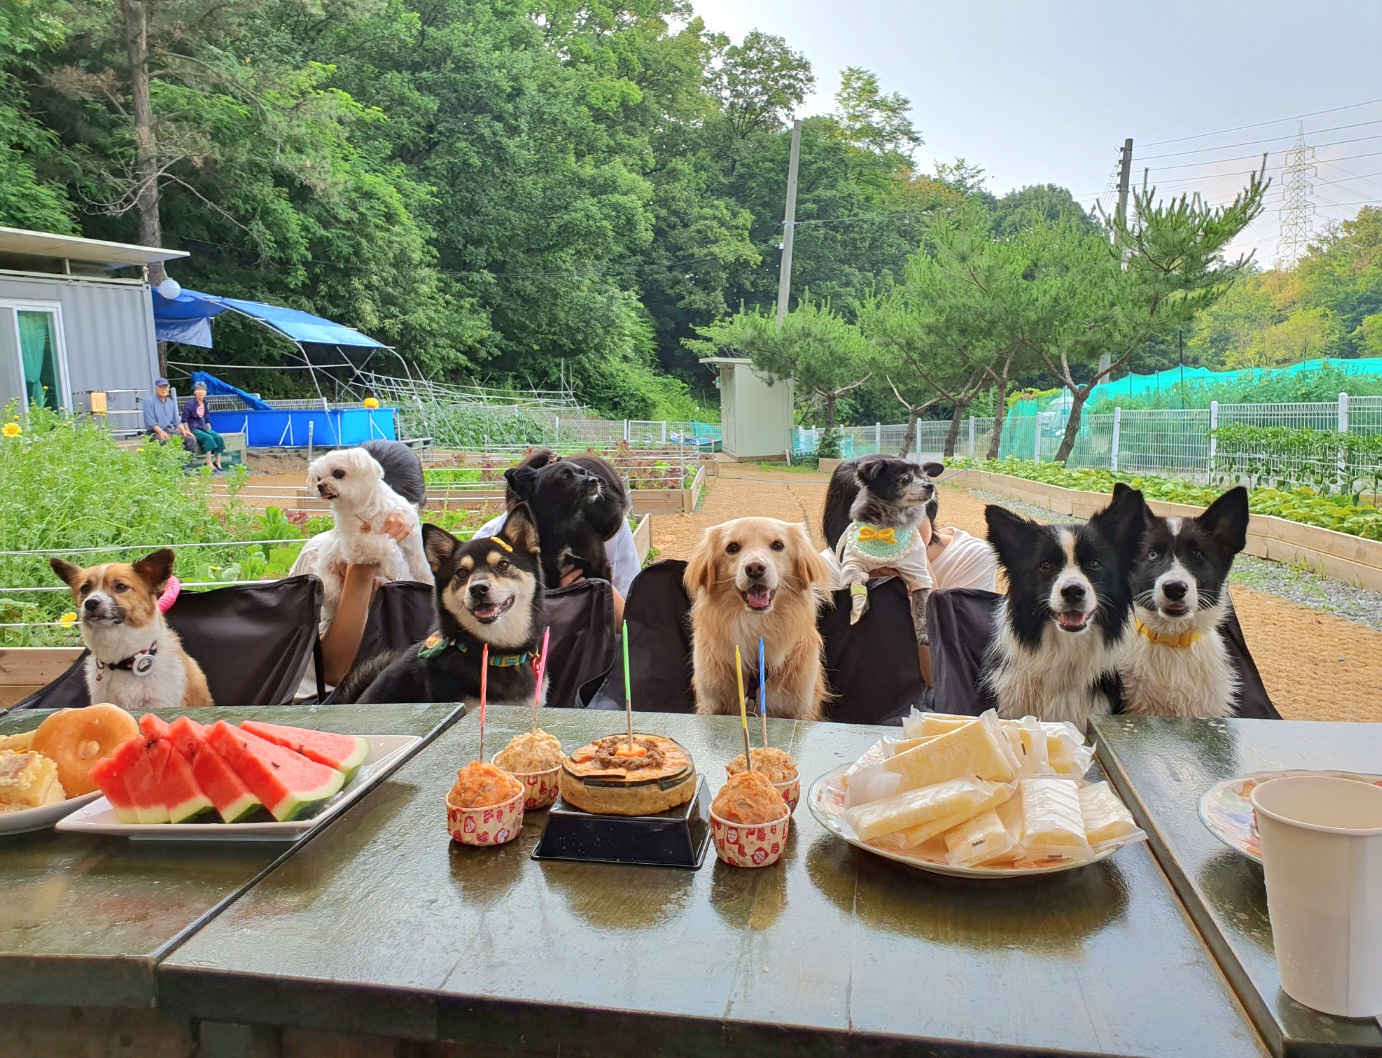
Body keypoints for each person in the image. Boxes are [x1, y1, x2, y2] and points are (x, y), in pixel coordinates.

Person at [289, 439, 427, 700]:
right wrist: (361, 569)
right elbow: (336, 673)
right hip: (329, 702)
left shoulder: (425, 555)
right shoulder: (320, 555)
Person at [820, 517, 998, 688]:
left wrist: (923, 585)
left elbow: (946, 681)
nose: (891, 530)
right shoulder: (830, 567)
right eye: (871, 522)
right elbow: (850, 677)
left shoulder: (969, 556)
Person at [471, 451, 636, 628]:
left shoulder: (611, 525)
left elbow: (633, 617)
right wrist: (556, 600)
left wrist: (602, 593)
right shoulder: (491, 540)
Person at [181, 381, 226, 471]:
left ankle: (217, 462)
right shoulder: (190, 404)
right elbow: (184, 420)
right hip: (193, 428)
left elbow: (207, 419)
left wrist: (209, 429)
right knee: (208, 438)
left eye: (202, 390)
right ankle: (208, 463)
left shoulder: (205, 404)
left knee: (218, 437)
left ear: (205, 392)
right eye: (198, 390)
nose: (200, 392)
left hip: (203, 427)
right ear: (194, 392)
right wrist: (188, 431)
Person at [143, 377, 196, 453]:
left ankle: (184, 462)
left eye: (166, 387)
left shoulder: (170, 402)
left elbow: (176, 421)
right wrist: (160, 431)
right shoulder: (149, 402)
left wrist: (183, 430)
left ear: (168, 388)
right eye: (161, 387)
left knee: (191, 438)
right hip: (154, 432)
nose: (164, 389)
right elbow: (150, 421)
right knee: (164, 440)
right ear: (156, 388)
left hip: (169, 430)